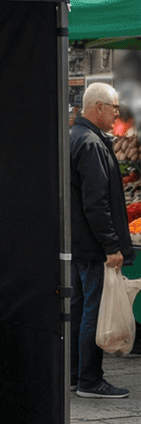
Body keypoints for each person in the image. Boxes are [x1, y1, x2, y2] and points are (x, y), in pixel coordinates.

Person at [70, 82, 134, 398]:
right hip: (93, 245)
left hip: (79, 242)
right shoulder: (92, 144)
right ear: (99, 107)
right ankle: (90, 380)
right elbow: (96, 202)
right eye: (114, 108)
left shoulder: (76, 137)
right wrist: (111, 246)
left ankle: (73, 374)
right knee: (92, 311)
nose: (117, 114)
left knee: (81, 307)